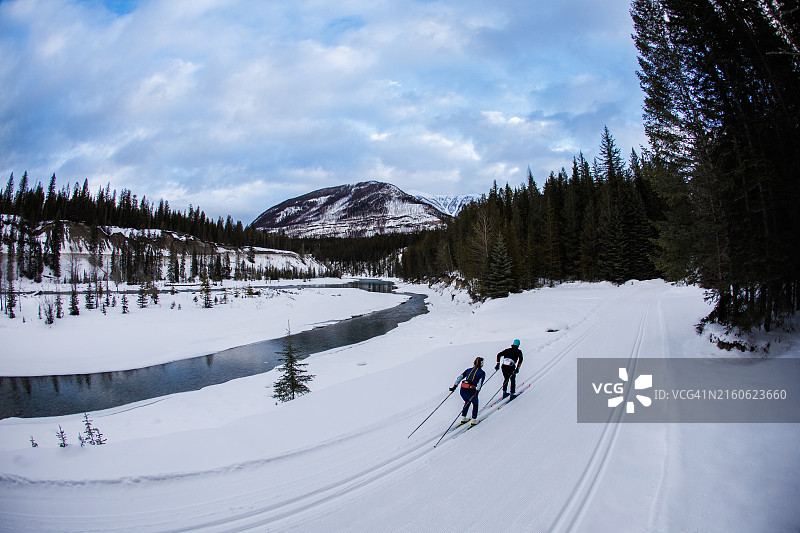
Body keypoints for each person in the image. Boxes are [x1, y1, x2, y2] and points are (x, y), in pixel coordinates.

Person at [449, 357, 486, 425]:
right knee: (475, 404)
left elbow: (460, 377)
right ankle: (474, 420)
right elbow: (480, 383)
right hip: (471, 390)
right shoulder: (482, 373)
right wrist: (477, 391)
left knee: (467, 401)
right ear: (481, 364)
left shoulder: (468, 370)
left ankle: (463, 418)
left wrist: (454, 386)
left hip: (463, 389)